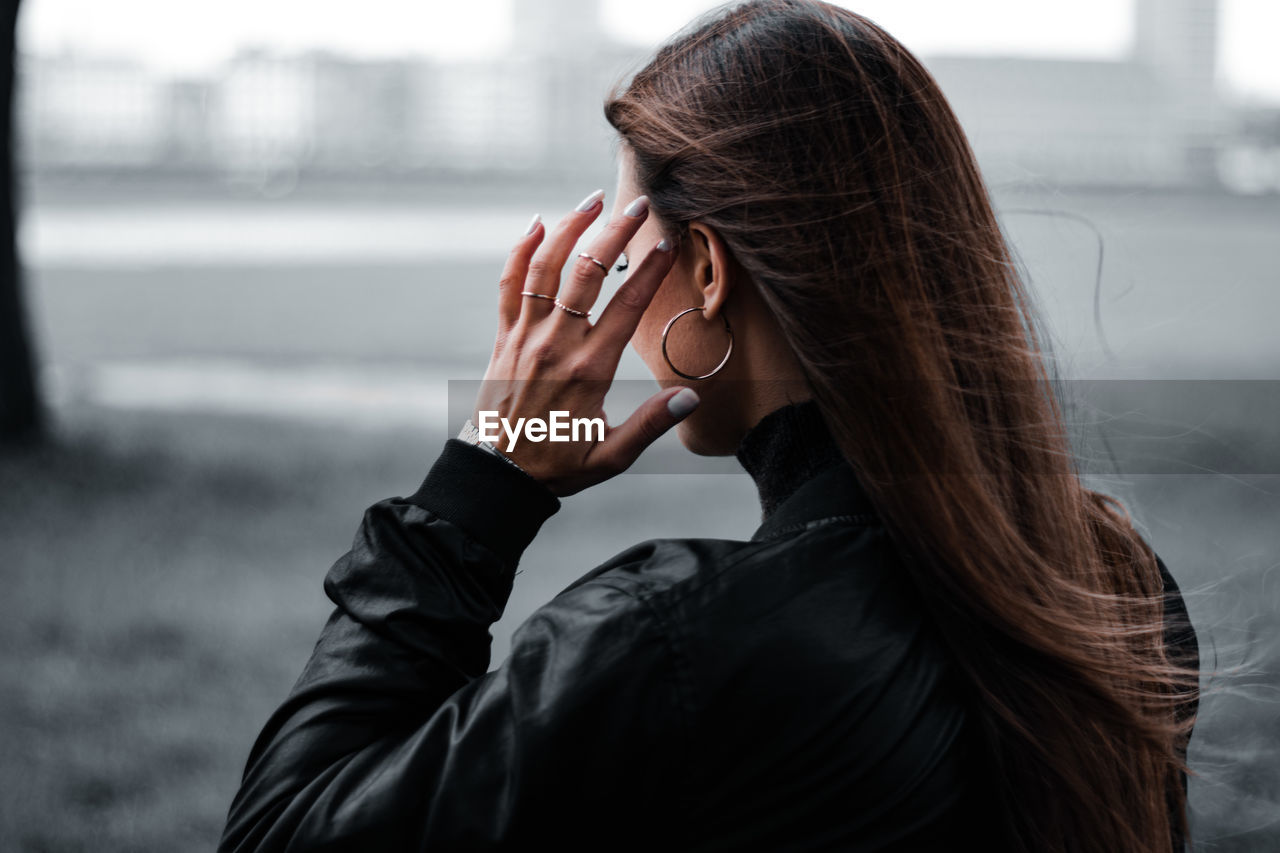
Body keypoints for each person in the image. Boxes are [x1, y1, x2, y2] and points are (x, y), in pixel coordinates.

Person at [218, 1, 1200, 850]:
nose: (605, 295)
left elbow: (281, 830)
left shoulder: (670, 644)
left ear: (705, 272)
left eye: (621, 253)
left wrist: (480, 485)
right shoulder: (1111, 583)